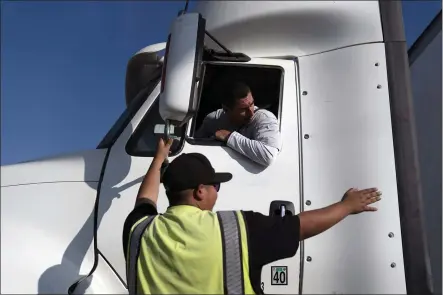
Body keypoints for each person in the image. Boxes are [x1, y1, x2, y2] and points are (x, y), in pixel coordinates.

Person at [122, 138, 382, 295]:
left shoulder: (138, 232)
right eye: (216, 186)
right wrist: (347, 206)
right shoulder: (235, 229)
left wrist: (158, 160)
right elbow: (300, 226)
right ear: (200, 192)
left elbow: (145, 201)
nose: (217, 192)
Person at [194, 82, 281, 167]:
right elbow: (194, 146)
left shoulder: (264, 118)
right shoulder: (213, 120)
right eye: (243, 109)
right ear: (226, 109)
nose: (251, 113)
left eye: (251, 104)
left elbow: (268, 156)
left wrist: (229, 136)